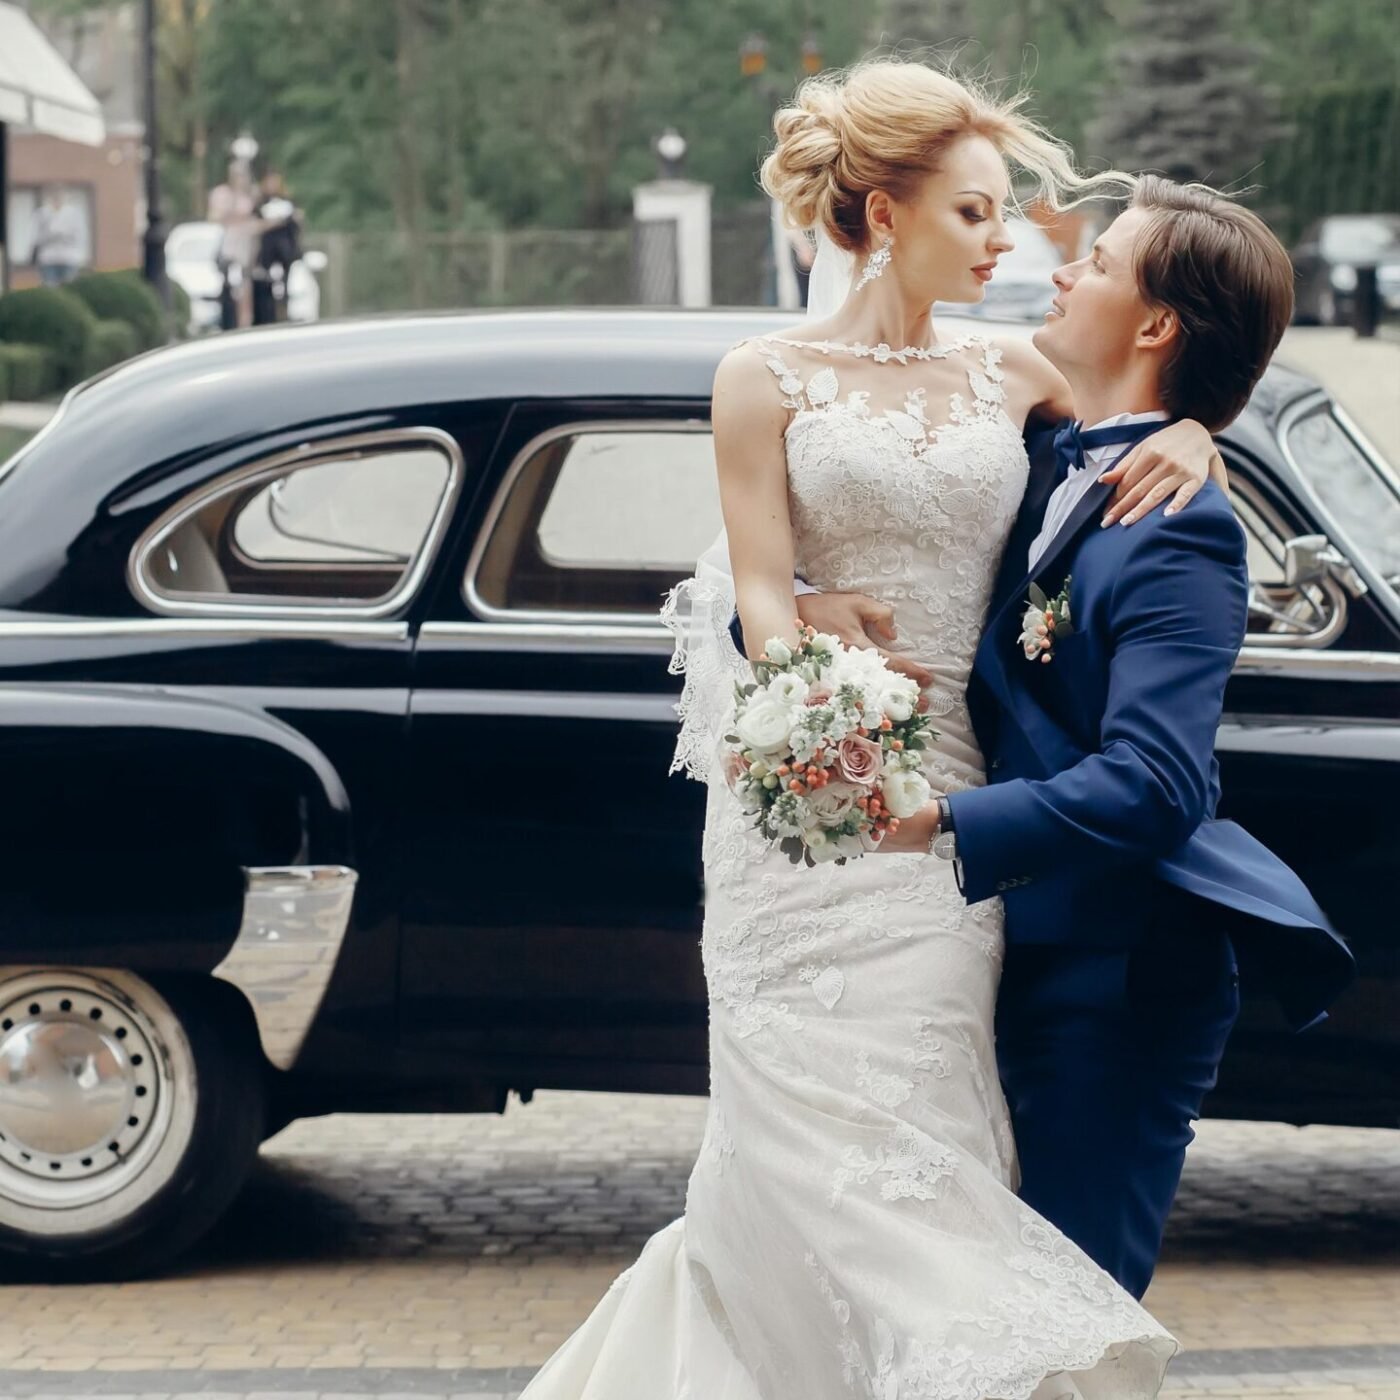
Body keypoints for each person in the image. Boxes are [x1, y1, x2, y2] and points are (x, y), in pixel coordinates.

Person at [520, 60, 1233, 1400]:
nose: (1004, 240)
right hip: (793, 820)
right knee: (781, 1149)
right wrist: (806, 645)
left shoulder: (1015, 370)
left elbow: (1129, 427)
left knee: (921, 1132)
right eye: (973, 211)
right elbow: (755, 594)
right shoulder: (759, 378)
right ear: (886, 214)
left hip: (942, 823)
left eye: (1003, 211)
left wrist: (1200, 435)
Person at [853, 176, 1355, 1299]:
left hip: (1116, 973)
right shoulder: (1049, 455)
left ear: (1155, 324)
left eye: (1099, 262)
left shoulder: (1179, 530)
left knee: (1069, 1308)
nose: (1064, 270)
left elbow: (1157, 782)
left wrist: (942, 820)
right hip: (997, 947)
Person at [207, 160, 260, 329]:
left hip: (246, 243)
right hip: (229, 243)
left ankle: (245, 320)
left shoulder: (250, 195)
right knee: (231, 282)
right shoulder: (223, 194)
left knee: (245, 283)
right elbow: (215, 217)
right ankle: (229, 320)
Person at [251, 169, 305, 326]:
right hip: (268, 250)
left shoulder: (288, 201)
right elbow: (254, 226)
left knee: (287, 282)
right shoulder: (260, 203)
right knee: (266, 283)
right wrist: (273, 222)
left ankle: (285, 311)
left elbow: (296, 225)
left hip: (286, 249)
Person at [31, 187, 84, 287]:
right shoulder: (42, 214)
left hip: (69, 258)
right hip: (48, 258)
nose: (57, 200)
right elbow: (35, 237)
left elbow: (79, 236)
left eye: (59, 197)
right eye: (54, 197)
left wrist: (63, 233)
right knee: (51, 287)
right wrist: (50, 234)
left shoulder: (73, 213)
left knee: (69, 287)